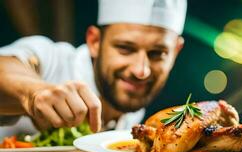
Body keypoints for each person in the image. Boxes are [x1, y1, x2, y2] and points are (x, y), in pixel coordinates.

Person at [0, 0, 187, 135]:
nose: (141, 71)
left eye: (157, 54)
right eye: (125, 48)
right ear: (95, 41)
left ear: (176, 52)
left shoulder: (134, 108)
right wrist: (33, 94)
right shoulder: (52, 58)